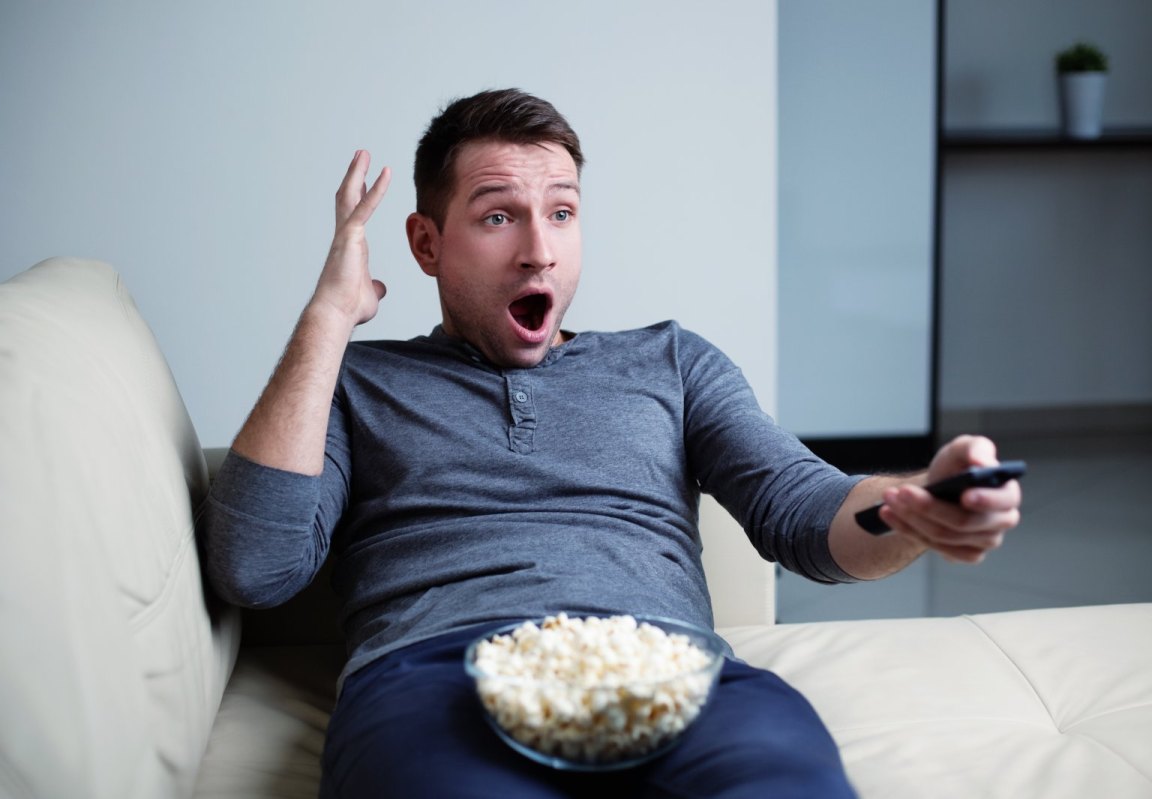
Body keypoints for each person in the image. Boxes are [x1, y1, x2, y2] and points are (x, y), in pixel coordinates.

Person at [201, 88, 1021, 798]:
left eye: (561, 212)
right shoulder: (356, 380)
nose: (539, 248)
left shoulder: (670, 362)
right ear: (426, 244)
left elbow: (804, 512)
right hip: (435, 679)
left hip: (670, 668)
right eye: (497, 216)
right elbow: (255, 567)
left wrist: (913, 509)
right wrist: (327, 318)